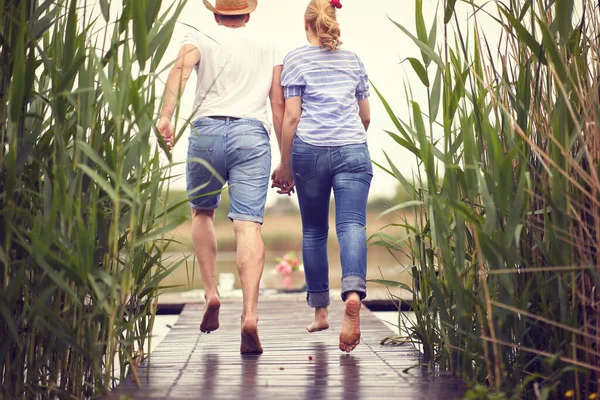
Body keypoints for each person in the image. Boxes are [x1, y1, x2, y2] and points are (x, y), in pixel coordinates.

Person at [156, 0, 285, 354]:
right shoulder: (269, 43)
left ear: (215, 12)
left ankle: (212, 292)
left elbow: (180, 71)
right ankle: (250, 314)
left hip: (206, 132)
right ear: (248, 11)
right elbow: (278, 105)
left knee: (202, 212)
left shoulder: (198, 34)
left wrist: (166, 117)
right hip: (252, 135)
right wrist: (285, 161)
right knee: (248, 226)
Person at [271, 0, 372, 353]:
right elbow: (366, 116)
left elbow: (292, 118)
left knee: (314, 230)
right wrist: (351, 144)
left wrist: (284, 164)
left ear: (306, 24)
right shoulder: (354, 60)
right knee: (352, 226)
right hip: (353, 149)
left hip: (310, 152)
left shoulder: (295, 59)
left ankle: (320, 311)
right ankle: (354, 294)